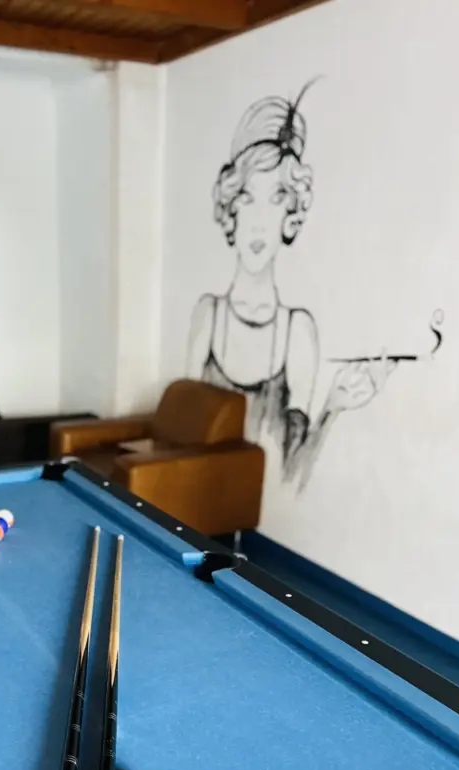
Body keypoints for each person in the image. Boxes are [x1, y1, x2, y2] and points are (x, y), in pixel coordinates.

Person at [187, 83, 391, 488]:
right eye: (248, 197)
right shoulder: (208, 314)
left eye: (276, 198)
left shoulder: (298, 331)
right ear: (231, 207)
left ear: (290, 215)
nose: (259, 222)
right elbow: (178, 442)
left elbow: (291, 478)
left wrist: (333, 407)